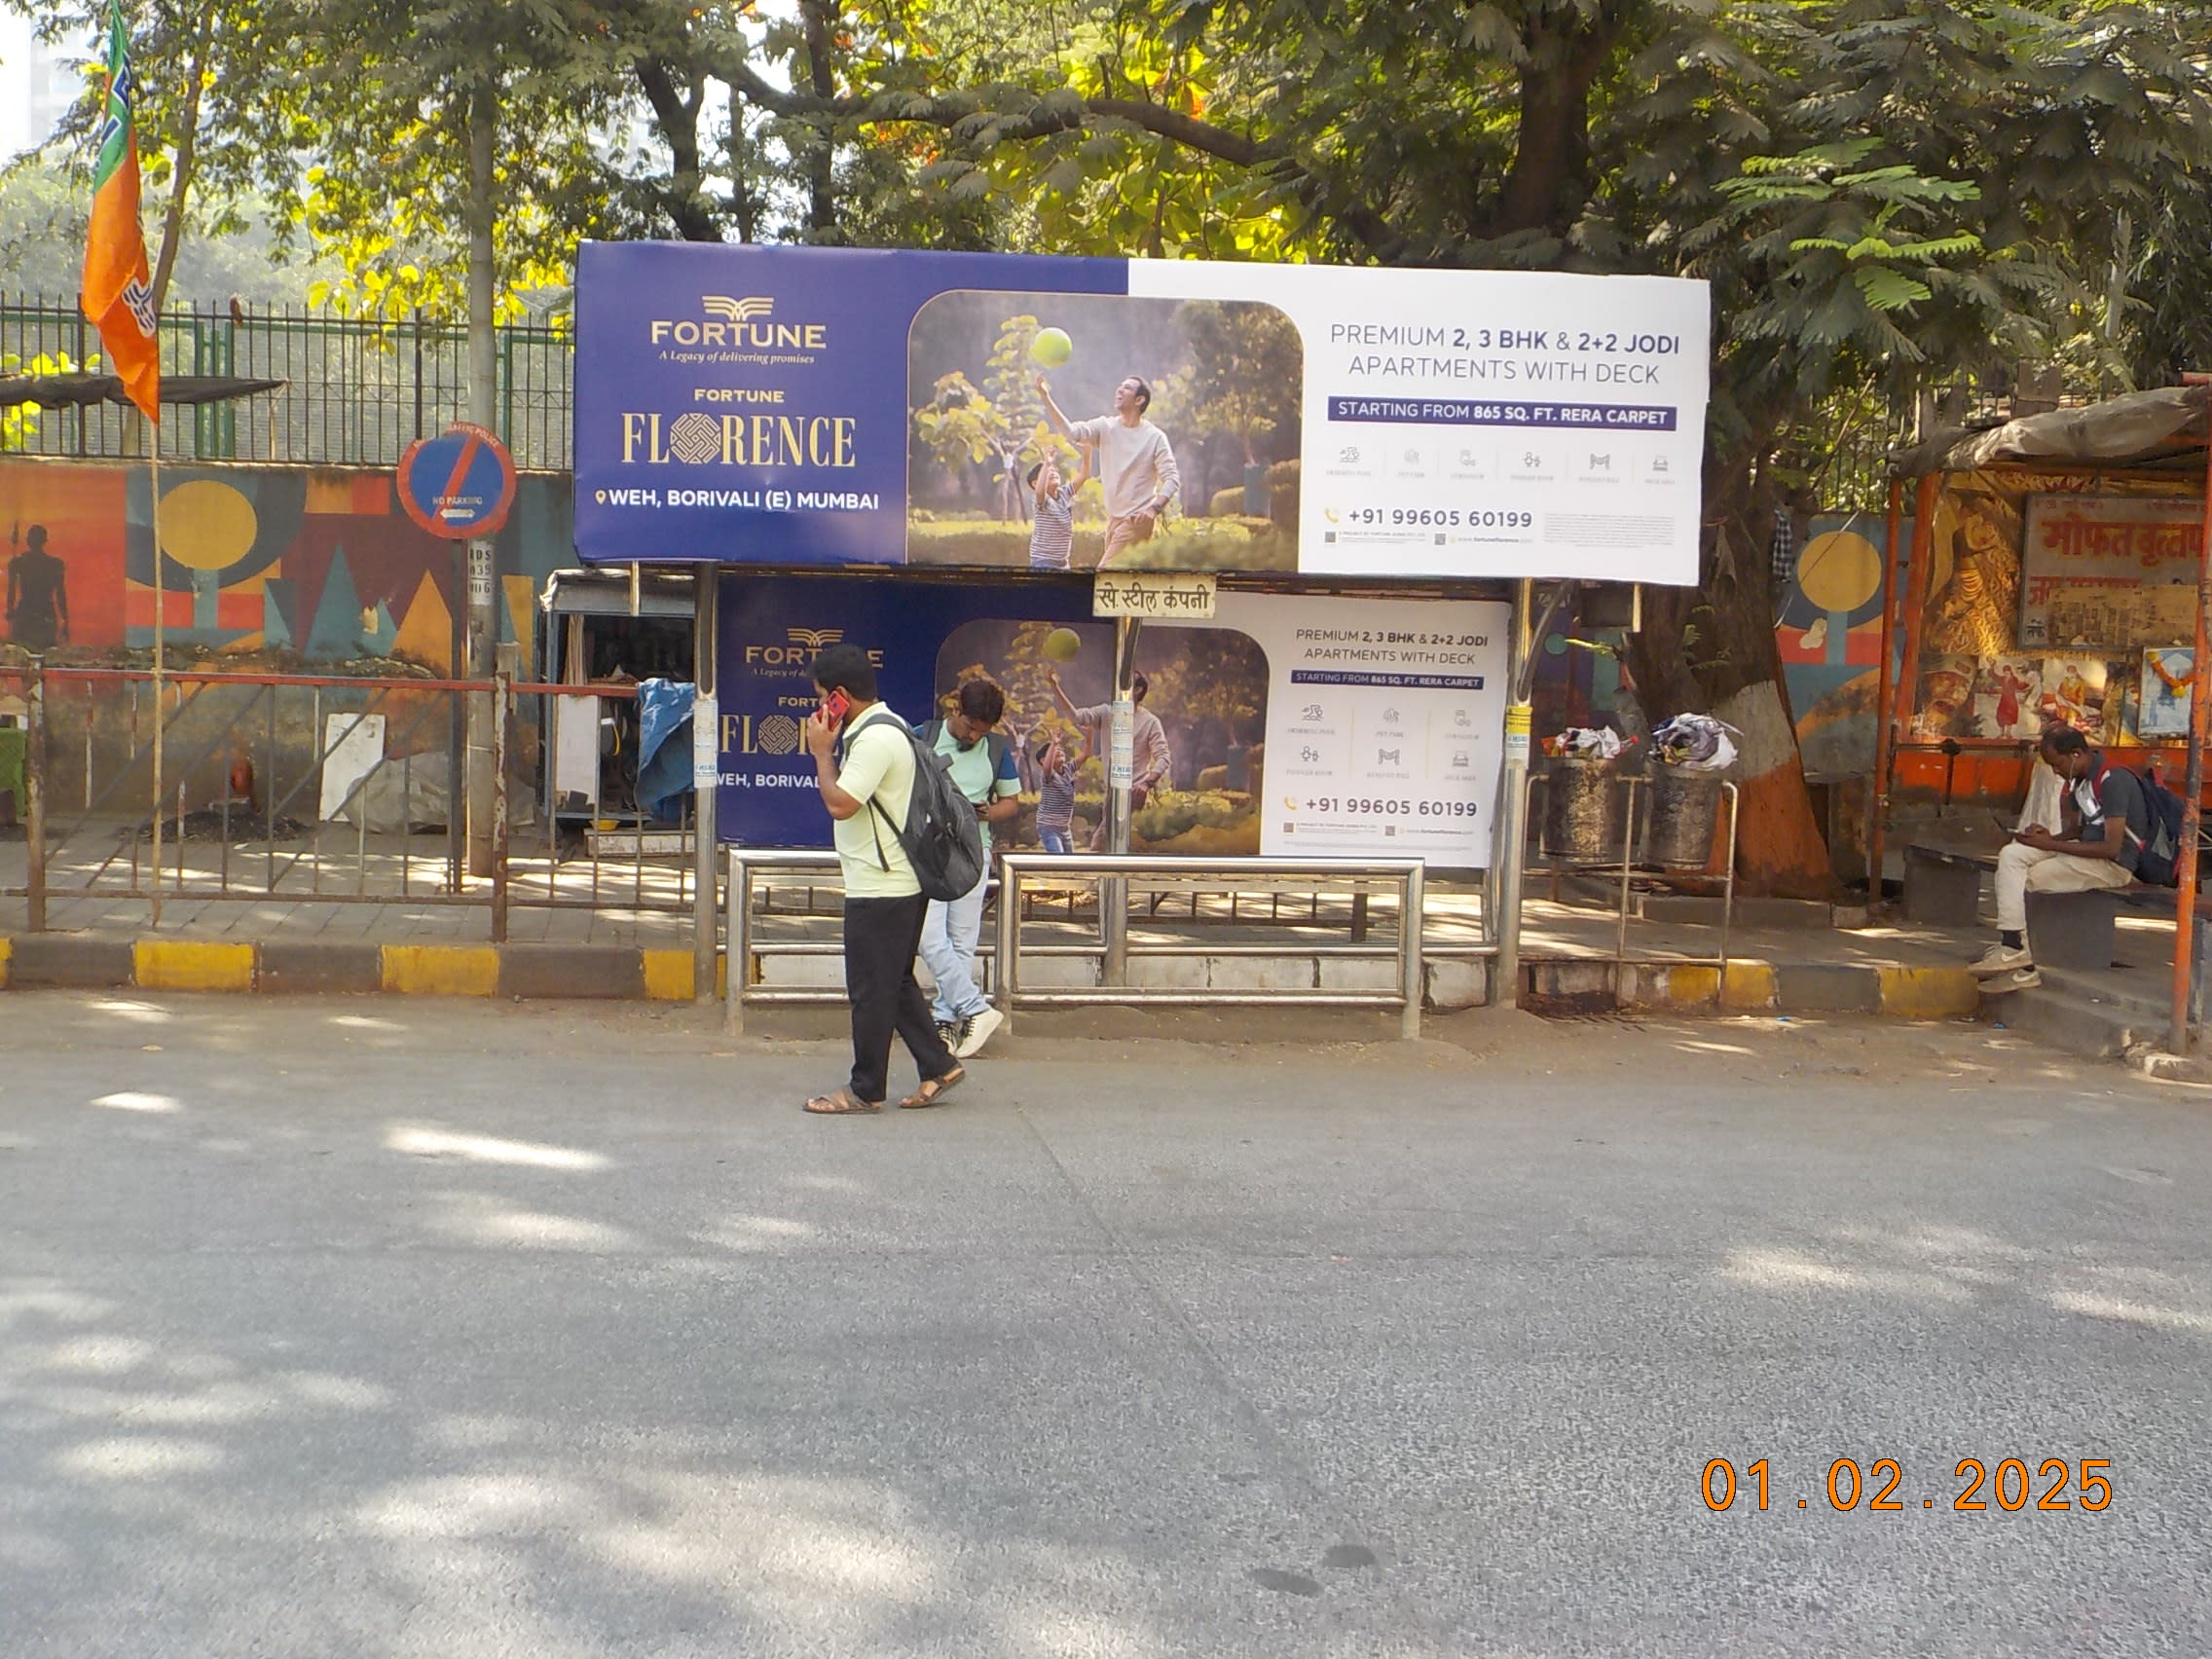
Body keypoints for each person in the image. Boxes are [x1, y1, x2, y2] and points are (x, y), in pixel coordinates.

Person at [800, 643, 964, 1114]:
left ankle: (865, 1089)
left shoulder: (874, 739)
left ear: (840, 696)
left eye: (823, 698)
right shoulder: (886, 726)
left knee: (870, 991)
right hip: (893, 881)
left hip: (881, 885)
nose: (820, 708)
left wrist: (821, 753)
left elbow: (840, 803)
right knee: (894, 982)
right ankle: (938, 1064)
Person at [1974, 725, 2144, 992]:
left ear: (2076, 754)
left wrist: (2051, 845)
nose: (2055, 771)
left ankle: (2025, 966)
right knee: (2012, 855)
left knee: (2028, 878)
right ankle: (2012, 945)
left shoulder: (2113, 780)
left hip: (2114, 865)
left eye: (2057, 764)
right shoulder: (2078, 781)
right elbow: (2080, 829)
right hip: (2085, 850)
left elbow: (2111, 848)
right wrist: (2050, 837)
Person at [915, 678, 1020, 1059]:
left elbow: (1011, 800)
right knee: (929, 936)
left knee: (962, 940)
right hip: (930, 849)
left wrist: (988, 813)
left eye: (982, 732)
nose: (974, 737)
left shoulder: (997, 749)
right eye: (970, 727)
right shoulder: (922, 737)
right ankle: (974, 1007)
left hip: (974, 849)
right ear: (955, 710)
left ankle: (945, 1020)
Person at [1035, 372, 1181, 569]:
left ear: (1139, 400)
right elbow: (1071, 432)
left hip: (1137, 520)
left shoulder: (1154, 437)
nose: (1119, 390)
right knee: (1119, 580)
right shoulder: (1105, 427)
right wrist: (1045, 397)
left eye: (1127, 388)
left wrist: (1153, 509)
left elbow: (1172, 479)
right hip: (1114, 519)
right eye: (1120, 386)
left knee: (1104, 575)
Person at [1050, 667, 1170, 849]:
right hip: (1112, 793)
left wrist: (1147, 783)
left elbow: (1164, 757)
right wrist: (1054, 686)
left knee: (1100, 845)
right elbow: (1076, 717)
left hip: (1133, 793)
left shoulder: (1150, 722)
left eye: (1126, 683)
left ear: (1138, 690)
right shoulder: (1107, 713)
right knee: (1114, 847)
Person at [6, 526, 69, 651]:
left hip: (27, 612)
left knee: (22, 651)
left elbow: (11, 590)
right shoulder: (55, 564)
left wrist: (10, 610)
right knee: (44, 651)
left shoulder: (18, 563)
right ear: (44, 541)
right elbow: (60, 594)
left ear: (28, 541)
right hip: (44, 611)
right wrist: (65, 619)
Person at [1026, 446, 1088, 572]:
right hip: (1043, 562)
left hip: (1063, 563)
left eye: (1054, 470)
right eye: (1048, 472)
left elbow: (1084, 475)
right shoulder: (1042, 501)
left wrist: (1088, 450)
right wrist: (1047, 463)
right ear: (1035, 483)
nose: (1053, 472)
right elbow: (1040, 491)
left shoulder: (1064, 493)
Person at [1031, 729, 1081, 855]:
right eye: (1054, 751)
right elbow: (1047, 767)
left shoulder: (1068, 770)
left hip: (1064, 827)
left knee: (1069, 861)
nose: (1059, 751)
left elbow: (1086, 754)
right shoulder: (1048, 775)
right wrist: (1053, 743)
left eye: (1060, 750)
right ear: (1043, 760)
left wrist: (1090, 734)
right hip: (1048, 826)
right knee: (1059, 858)